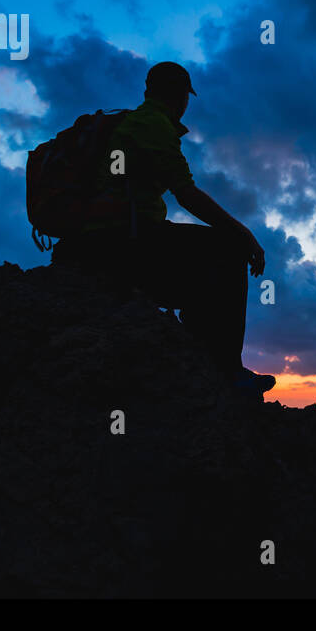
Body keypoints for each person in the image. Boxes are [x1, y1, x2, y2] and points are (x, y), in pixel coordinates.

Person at [52, 61, 275, 395]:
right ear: (182, 96)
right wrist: (243, 234)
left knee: (203, 251)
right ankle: (227, 369)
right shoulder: (153, 125)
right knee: (227, 249)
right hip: (120, 242)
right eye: (185, 96)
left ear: (148, 91)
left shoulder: (136, 122)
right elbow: (187, 195)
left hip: (106, 239)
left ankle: (200, 355)